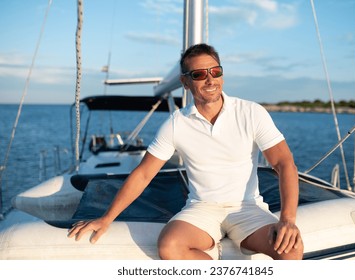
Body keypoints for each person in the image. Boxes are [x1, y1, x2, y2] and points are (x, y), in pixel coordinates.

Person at [68, 43, 304, 260]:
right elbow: (143, 174)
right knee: (169, 246)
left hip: (247, 207)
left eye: (215, 71)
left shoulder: (251, 112)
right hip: (202, 208)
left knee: (291, 249)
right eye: (199, 74)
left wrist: (288, 220)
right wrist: (106, 218)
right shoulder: (176, 123)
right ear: (185, 82)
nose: (210, 80)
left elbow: (284, 163)